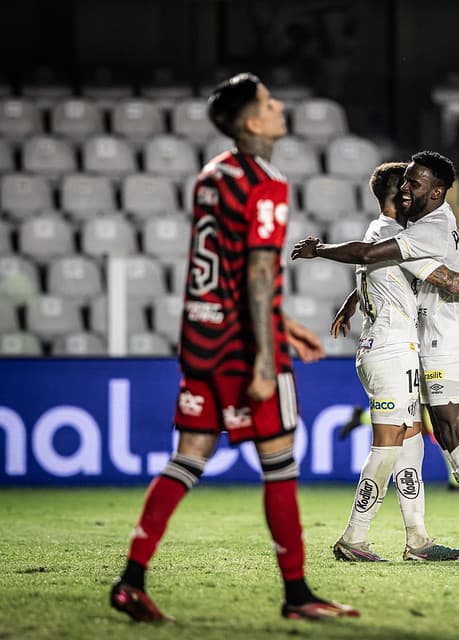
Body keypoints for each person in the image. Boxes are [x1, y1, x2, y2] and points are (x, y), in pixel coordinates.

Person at [109, 72, 358, 623]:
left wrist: (283, 319)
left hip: (201, 336)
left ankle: (131, 580)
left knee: (189, 456)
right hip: (243, 348)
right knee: (280, 462)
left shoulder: (211, 176)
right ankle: (297, 594)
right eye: (270, 103)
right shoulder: (266, 182)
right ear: (251, 122)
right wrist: (268, 357)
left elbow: (226, 269)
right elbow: (259, 269)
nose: (279, 107)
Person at [292, 151, 459, 562]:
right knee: (404, 443)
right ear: (397, 198)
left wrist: (349, 302)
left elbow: (377, 263)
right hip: (401, 348)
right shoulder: (398, 236)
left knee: (415, 442)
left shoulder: (400, 233)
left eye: (414, 184)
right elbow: (441, 277)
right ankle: (358, 537)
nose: (408, 191)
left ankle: (418, 539)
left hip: (421, 344)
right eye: (406, 185)